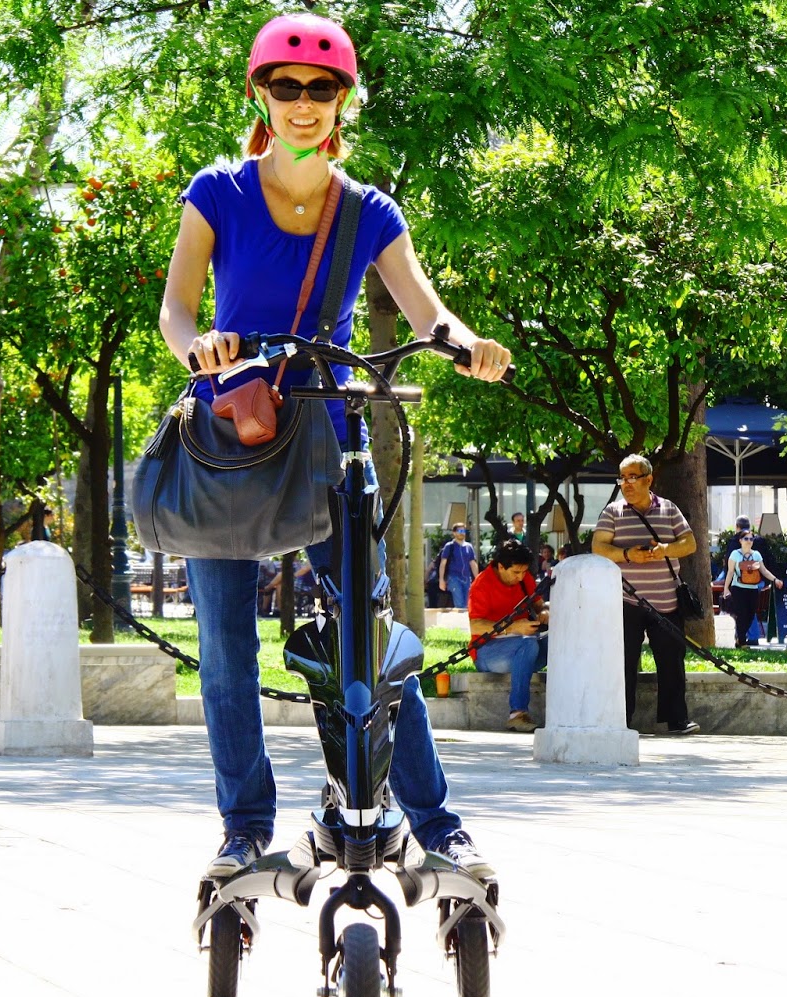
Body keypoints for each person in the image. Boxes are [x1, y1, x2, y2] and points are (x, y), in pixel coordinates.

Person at [157, 11, 512, 882]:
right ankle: (244, 829)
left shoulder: (367, 210)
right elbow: (175, 311)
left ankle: (436, 826)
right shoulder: (218, 192)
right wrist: (199, 348)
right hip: (232, 433)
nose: (303, 102)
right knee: (227, 654)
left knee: (375, 639)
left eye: (321, 88)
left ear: (341, 100)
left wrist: (467, 344)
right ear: (260, 95)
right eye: (286, 86)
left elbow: (427, 310)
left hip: (330, 439)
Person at [591, 454, 700, 735]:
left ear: (648, 479)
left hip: (667, 601)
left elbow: (689, 543)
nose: (626, 484)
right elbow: (599, 547)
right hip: (625, 601)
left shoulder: (669, 509)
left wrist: (665, 550)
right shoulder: (612, 512)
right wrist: (628, 555)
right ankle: (620, 721)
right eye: (622, 478)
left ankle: (677, 720)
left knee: (672, 661)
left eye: (632, 477)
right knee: (623, 662)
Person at [467, 539, 549, 733]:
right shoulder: (481, 585)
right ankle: (517, 714)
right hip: (488, 652)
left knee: (559, 642)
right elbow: (475, 625)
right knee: (528, 645)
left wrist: (545, 612)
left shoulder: (524, 578)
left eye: (524, 572)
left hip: (525, 646)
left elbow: (540, 605)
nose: (521, 577)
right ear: (501, 567)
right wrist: (513, 628)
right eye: (516, 572)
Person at [723, 531, 783, 650]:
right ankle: (742, 641)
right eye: (746, 539)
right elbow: (730, 572)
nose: (749, 541)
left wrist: (775, 579)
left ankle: (739, 638)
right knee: (741, 614)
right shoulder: (735, 554)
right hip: (738, 589)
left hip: (753, 589)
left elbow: (764, 570)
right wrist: (726, 588)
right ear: (740, 541)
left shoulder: (756, 555)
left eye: (751, 539)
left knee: (750, 615)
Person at [437, 524, 479, 609]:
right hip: (454, 578)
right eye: (460, 531)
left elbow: (473, 563)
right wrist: (441, 580)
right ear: (454, 533)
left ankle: (464, 617)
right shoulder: (449, 546)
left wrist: (477, 578)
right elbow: (443, 564)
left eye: (464, 531)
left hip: (467, 579)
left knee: (468, 604)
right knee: (459, 604)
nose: (462, 533)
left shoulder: (469, 546)